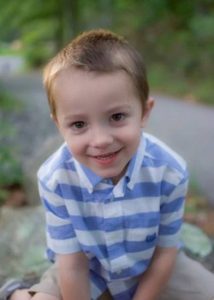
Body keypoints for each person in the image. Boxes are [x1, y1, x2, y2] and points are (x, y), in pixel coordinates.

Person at [1, 29, 214, 300]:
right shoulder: (56, 178)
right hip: (88, 267)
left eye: (116, 117)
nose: (100, 140)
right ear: (59, 124)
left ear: (144, 112)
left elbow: (164, 254)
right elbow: (73, 265)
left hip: (150, 264)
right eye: (79, 124)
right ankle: (18, 294)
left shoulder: (169, 171)